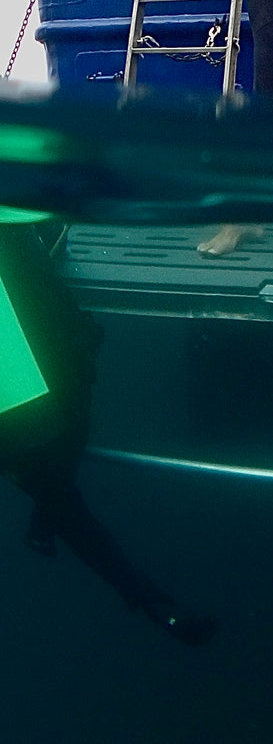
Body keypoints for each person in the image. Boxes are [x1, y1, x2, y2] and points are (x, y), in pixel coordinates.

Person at [1, 220, 218, 646]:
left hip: (28, 413)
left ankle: (147, 597)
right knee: (59, 489)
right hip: (40, 402)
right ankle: (146, 597)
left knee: (59, 499)